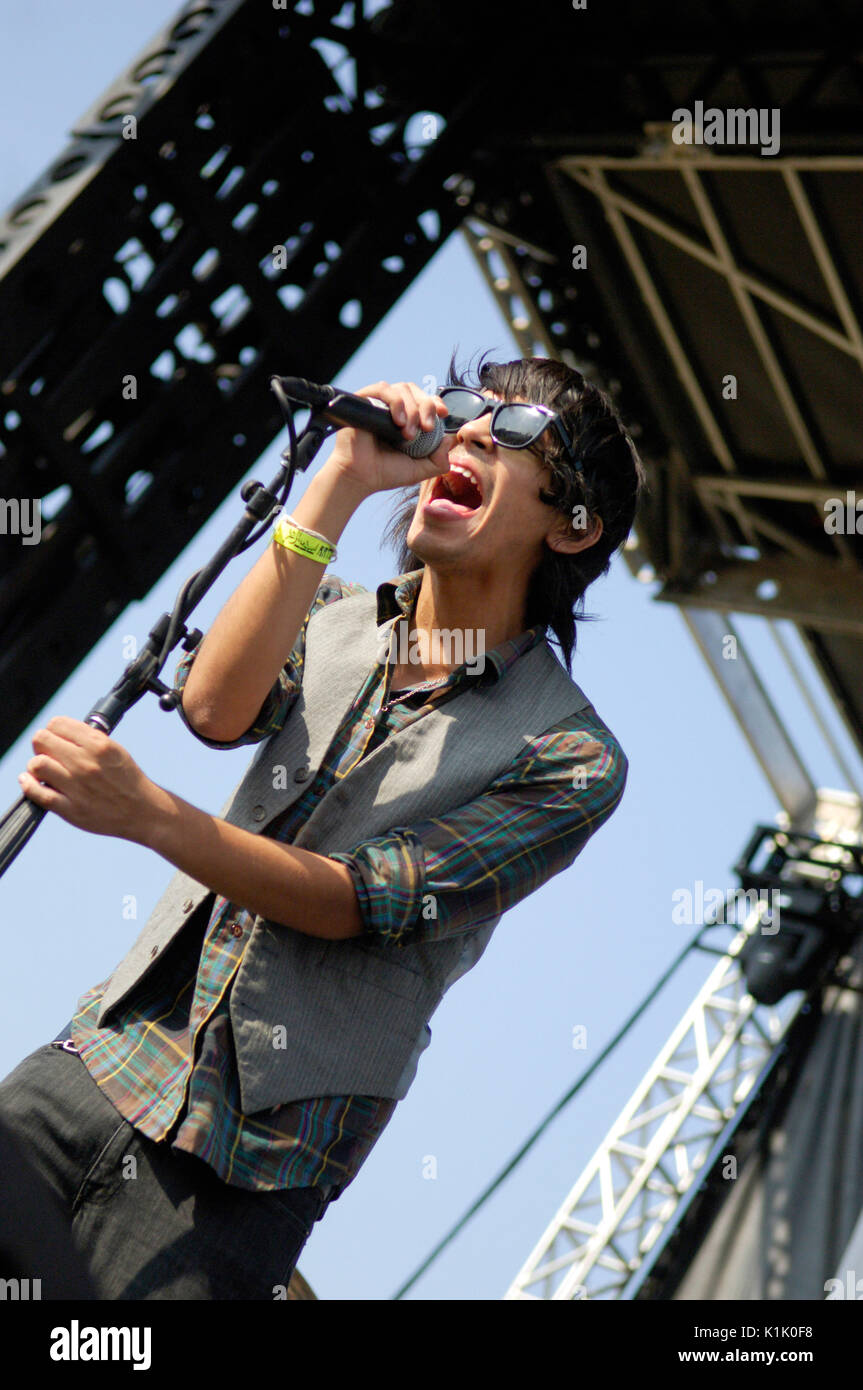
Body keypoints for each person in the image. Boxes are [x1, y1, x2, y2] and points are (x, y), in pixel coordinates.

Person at [0, 351, 646, 1299]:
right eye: (464, 408)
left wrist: (148, 816)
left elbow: (357, 901)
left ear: (572, 525)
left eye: (512, 432)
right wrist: (340, 478)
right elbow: (217, 710)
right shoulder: (332, 614)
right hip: (94, 1067)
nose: (467, 430)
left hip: (248, 1174)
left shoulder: (571, 756)